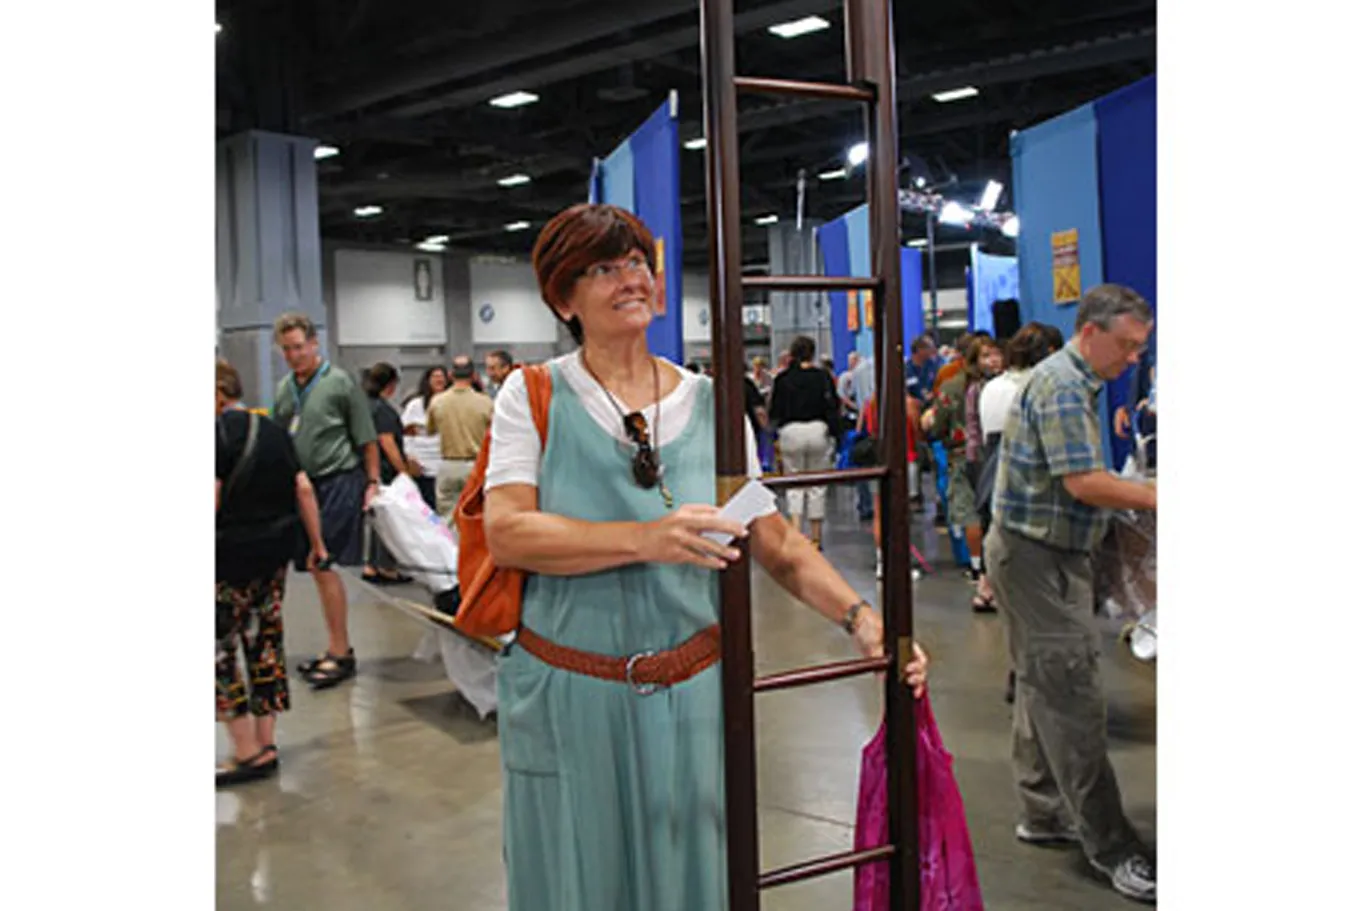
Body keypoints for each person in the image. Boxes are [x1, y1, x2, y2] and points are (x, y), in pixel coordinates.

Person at [484, 202, 928, 911]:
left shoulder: (714, 403)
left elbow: (775, 540)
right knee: (577, 878)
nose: (631, 279)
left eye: (637, 262)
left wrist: (860, 616)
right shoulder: (533, 395)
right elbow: (508, 531)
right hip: (570, 695)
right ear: (564, 298)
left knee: (692, 875)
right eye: (604, 268)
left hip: (692, 695)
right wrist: (644, 538)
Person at [985, 284, 1157, 904]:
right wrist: (1156, 494)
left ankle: (1042, 811)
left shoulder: (1076, 382)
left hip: (1040, 553)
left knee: (1042, 684)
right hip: (1038, 561)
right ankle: (1112, 846)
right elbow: (1083, 482)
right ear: (1091, 333)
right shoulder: (1062, 386)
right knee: (1074, 698)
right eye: (1127, 346)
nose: (1133, 359)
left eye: (1140, 349)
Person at [215, 359, 327, 786]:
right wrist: (317, 545)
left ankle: (245, 750)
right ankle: (267, 743)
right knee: (265, 643)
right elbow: (303, 488)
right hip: (274, 556)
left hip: (227, 561)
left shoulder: (215, 435)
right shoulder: (275, 431)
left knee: (219, 650)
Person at [271, 312, 379, 690]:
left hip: (337, 481)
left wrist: (372, 482)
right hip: (302, 487)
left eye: (299, 347)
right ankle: (335, 646)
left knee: (323, 563)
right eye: (286, 349)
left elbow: (367, 437)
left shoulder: (339, 383)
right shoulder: (285, 388)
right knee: (314, 567)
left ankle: (341, 651)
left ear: (314, 344)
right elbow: (279, 436)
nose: (294, 355)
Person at [921, 338, 992, 610]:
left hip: (961, 454)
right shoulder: (996, 385)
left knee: (969, 510)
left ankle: (975, 566)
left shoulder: (950, 385)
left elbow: (938, 424)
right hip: (994, 455)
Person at [768, 335, 839, 549]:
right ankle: (816, 537)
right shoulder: (822, 376)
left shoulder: (783, 379)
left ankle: (796, 534)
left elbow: (775, 411)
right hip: (818, 430)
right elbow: (833, 406)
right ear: (813, 353)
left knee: (794, 483)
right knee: (817, 485)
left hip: (791, 432)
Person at [363, 362, 417, 585]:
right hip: (385, 471)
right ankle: (386, 567)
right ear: (391, 384)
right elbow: (387, 442)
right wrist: (404, 471)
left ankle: (371, 565)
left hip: (366, 468)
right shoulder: (383, 410)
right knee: (389, 519)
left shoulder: (365, 406)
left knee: (376, 520)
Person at [961, 335, 1004, 609]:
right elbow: (974, 428)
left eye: (996, 354)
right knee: (988, 520)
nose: (993, 360)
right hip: (982, 459)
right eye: (986, 356)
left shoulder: (1002, 384)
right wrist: (978, 460)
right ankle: (986, 584)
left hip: (993, 456)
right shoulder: (976, 390)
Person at [428, 354, 495, 522]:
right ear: (474, 376)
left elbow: (431, 430)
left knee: (447, 518)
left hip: (448, 465)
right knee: (477, 516)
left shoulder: (437, 401)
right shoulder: (486, 402)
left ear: (450, 375)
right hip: (477, 466)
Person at [400, 365, 448, 510]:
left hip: (444, 463)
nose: (439, 380)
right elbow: (406, 434)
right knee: (426, 507)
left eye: (442, 376)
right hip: (421, 463)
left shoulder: (451, 403)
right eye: (435, 376)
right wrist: (410, 458)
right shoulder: (415, 405)